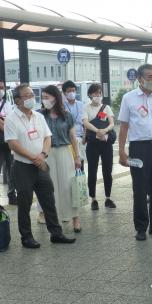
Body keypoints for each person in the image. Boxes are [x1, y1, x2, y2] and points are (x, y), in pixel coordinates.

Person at [4, 84, 75, 248]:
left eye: (32, 95)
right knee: (25, 202)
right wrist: (33, 157)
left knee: (48, 199)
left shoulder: (38, 116)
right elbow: (13, 144)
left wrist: (42, 155)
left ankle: (56, 233)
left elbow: (47, 137)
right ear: (17, 100)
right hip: (22, 167)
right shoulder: (11, 119)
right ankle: (26, 237)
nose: (31, 98)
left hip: (41, 164)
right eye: (26, 96)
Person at [118, 64, 152, 241]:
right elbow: (124, 126)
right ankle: (141, 227)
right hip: (139, 148)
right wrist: (121, 151)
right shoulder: (128, 98)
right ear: (140, 79)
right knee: (140, 189)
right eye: (149, 76)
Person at [41, 85, 82, 232]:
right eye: (43, 97)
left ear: (56, 97)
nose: (45, 100)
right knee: (50, 188)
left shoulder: (66, 115)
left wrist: (77, 156)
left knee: (68, 187)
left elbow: (72, 137)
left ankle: (75, 218)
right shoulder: (40, 115)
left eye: (47, 97)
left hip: (65, 151)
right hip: (47, 153)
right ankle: (55, 218)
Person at [82, 83, 116, 211]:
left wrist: (105, 130)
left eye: (99, 93)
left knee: (107, 171)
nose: (98, 95)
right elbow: (85, 123)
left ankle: (108, 197)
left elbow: (112, 123)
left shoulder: (106, 108)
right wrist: (97, 131)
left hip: (106, 143)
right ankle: (93, 198)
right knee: (92, 171)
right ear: (90, 94)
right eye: (95, 93)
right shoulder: (86, 108)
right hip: (92, 144)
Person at [62, 81, 86, 171]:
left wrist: (84, 136)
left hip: (80, 137)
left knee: (80, 162)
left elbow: (84, 122)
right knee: (70, 163)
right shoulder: (62, 106)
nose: (72, 93)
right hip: (68, 139)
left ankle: (80, 182)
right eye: (69, 91)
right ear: (65, 93)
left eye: (73, 90)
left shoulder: (81, 105)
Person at [0, 81, 16, 205]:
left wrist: (4, 123)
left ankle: (12, 195)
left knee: (11, 169)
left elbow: (11, 121)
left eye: (2, 88)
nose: (1, 90)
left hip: (8, 141)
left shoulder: (7, 104)